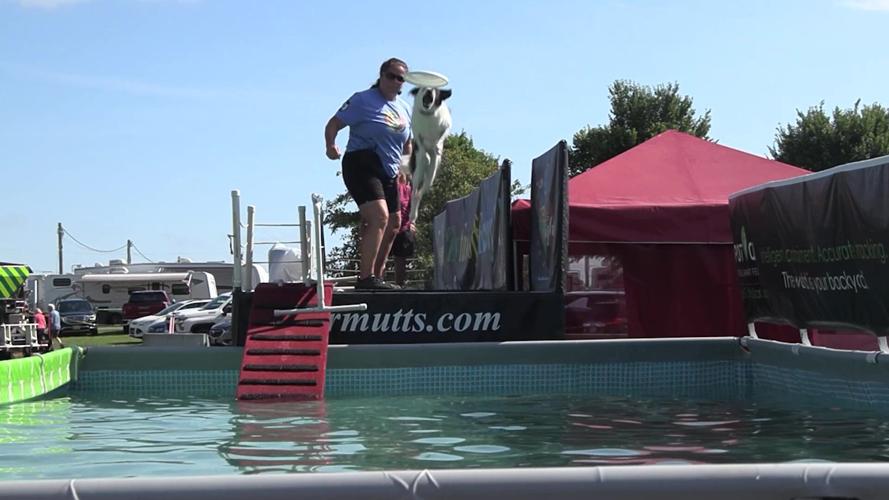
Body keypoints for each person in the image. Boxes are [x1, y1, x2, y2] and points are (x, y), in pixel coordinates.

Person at [324, 57, 412, 290]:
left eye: (400, 78)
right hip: (361, 162)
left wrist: (405, 167)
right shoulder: (363, 100)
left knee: (394, 223)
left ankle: (376, 276)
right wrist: (330, 145)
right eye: (390, 76)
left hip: (389, 171)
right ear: (381, 76)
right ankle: (365, 279)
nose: (395, 81)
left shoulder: (404, 109)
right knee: (379, 216)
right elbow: (333, 123)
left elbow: (407, 143)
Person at [390, 172, 416, 287]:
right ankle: (377, 278)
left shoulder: (408, 189)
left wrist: (413, 223)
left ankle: (399, 285)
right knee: (382, 255)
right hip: (389, 227)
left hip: (404, 227)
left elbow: (412, 208)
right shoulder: (389, 188)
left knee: (400, 259)